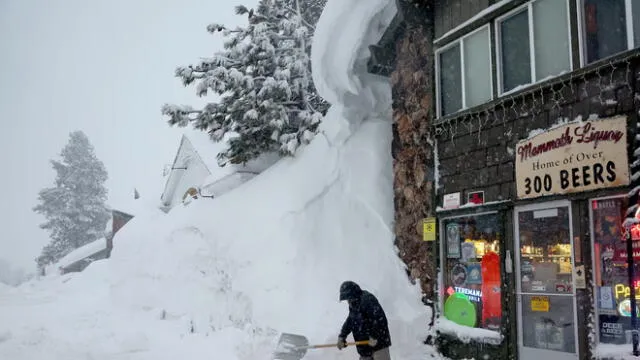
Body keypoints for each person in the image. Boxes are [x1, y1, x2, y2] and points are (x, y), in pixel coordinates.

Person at [336, 281, 392, 360]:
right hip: (365, 349)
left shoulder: (368, 300)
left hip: (379, 345)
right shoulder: (354, 304)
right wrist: (342, 336)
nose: (348, 301)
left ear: (353, 294)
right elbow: (350, 320)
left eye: (348, 298)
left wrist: (374, 336)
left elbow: (380, 320)